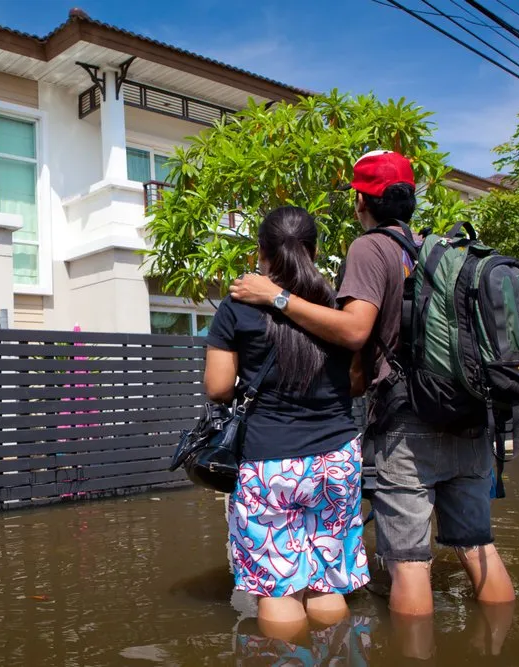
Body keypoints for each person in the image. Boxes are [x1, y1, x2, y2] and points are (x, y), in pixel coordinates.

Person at [229, 150, 515, 624]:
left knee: (408, 562)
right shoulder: (434, 249)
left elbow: (355, 331)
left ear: (362, 200)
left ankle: (413, 655)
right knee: (478, 547)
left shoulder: (371, 247)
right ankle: (503, 643)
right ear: (411, 199)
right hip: (468, 415)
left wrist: (275, 296)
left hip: (411, 421)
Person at [204, 205, 370, 642]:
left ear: (262, 251)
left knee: (278, 589)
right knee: (327, 583)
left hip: (271, 462)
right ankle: (334, 653)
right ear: (313, 250)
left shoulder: (237, 306)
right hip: (337, 458)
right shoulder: (336, 306)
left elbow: (218, 388)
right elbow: (358, 381)